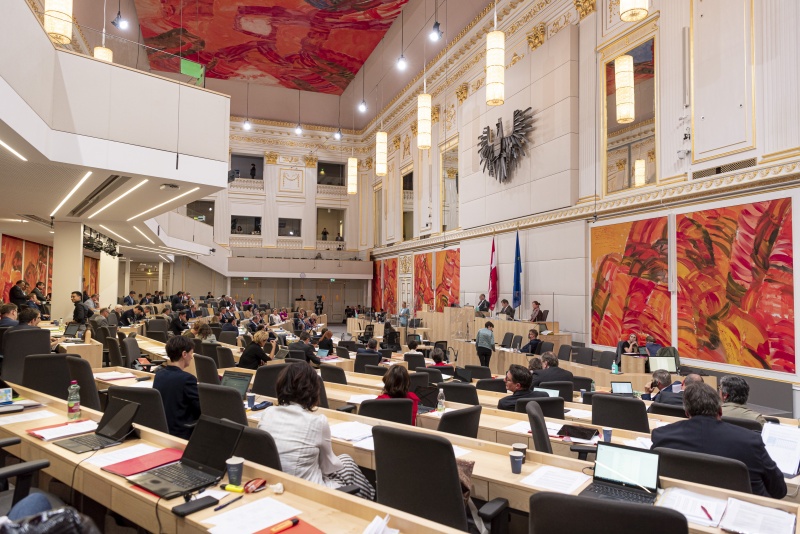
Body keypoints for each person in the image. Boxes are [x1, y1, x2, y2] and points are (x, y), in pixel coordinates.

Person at [257, 363, 375, 499]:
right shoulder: (317, 422)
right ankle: (369, 502)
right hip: (308, 490)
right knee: (348, 465)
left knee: (346, 462)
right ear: (313, 390)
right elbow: (328, 466)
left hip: (277, 484)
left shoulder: (268, 412)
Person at [651, 383, 786, 499]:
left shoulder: (662, 435)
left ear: (687, 413)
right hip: (746, 510)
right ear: (720, 410)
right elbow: (779, 490)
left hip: (683, 505)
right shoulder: (750, 440)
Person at [153, 336, 200, 439]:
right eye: (191, 353)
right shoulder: (187, 379)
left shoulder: (159, 375)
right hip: (181, 433)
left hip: (164, 430)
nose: (192, 357)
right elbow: (201, 408)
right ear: (184, 354)